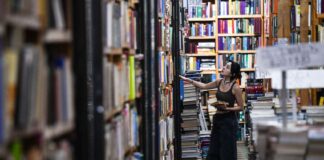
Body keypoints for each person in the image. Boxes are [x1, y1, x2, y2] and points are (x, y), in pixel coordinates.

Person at [180, 60, 244, 160]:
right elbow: (204, 86)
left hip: (229, 121)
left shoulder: (236, 87)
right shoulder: (219, 82)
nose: (223, 68)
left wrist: (227, 108)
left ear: (232, 73)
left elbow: (241, 107)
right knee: (214, 149)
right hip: (217, 119)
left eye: (227, 67)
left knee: (227, 151)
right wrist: (189, 80)